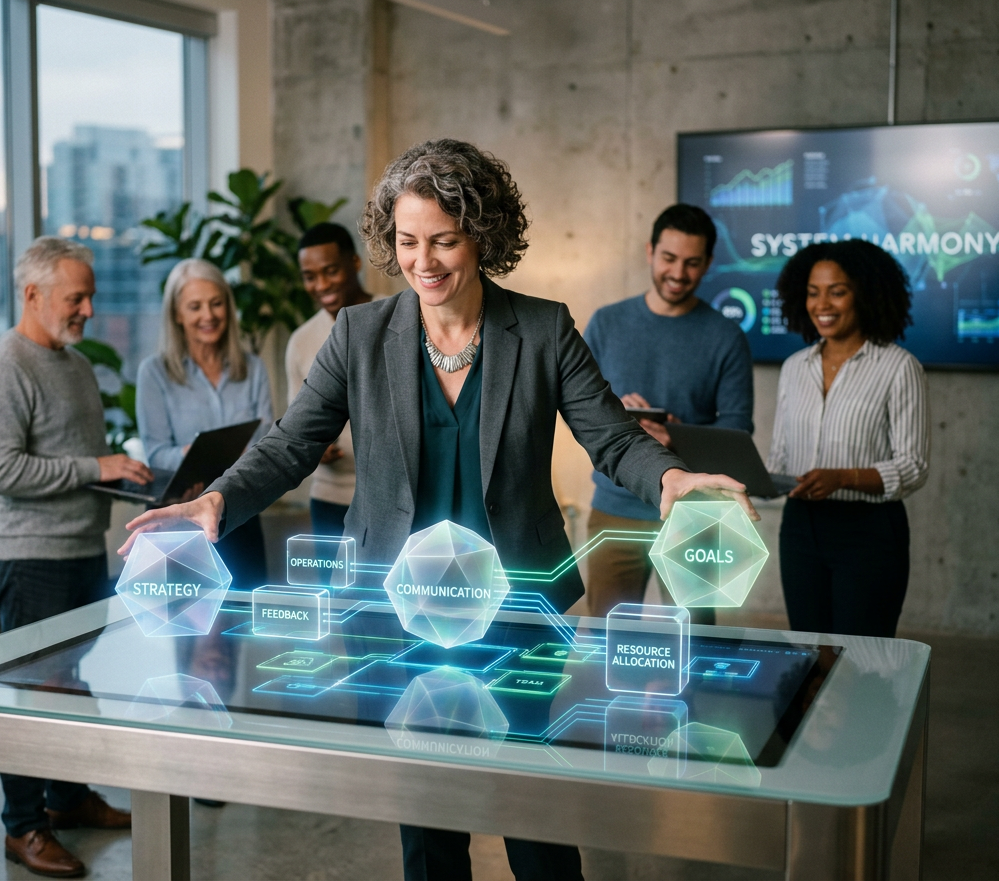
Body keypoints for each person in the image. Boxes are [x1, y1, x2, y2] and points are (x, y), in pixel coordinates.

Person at [121, 139, 756, 881]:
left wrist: (670, 477)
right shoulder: (359, 334)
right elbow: (291, 442)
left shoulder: (543, 329)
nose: (423, 261)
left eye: (444, 241)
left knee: (532, 805)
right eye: (407, 241)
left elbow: (611, 437)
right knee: (426, 816)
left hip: (520, 608)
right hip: (393, 611)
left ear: (482, 235)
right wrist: (217, 500)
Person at [0, 236, 151, 877]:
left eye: (90, 297)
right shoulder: (2, 368)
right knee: (28, 689)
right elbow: (1, 473)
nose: (89, 310)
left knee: (67, 679)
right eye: (77, 298)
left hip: (80, 547)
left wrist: (127, 480)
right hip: (30, 557)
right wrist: (98, 467)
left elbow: (74, 462)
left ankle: (67, 799)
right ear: (33, 294)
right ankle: (23, 826)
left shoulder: (73, 365)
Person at [583, 204, 753, 625]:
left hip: (693, 513)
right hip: (615, 507)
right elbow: (581, 414)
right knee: (608, 637)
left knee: (694, 638)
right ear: (650, 251)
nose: (678, 273)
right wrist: (617, 413)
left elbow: (738, 429)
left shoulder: (726, 336)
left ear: (708, 263)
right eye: (669, 258)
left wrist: (675, 436)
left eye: (692, 263)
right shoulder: (606, 323)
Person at [768, 239, 929, 637]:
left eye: (837, 292)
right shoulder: (794, 368)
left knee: (862, 659)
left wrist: (842, 478)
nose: (822, 304)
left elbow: (913, 467)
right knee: (809, 652)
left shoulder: (899, 367)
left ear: (866, 294)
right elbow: (780, 457)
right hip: (800, 527)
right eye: (813, 292)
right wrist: (758, 479)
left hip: (869, 532)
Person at [136, 258, 273, 589]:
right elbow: (156, 453)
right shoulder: (154, 373)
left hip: (240, 515)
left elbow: (268, 443)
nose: (208, 315)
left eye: (216, 303)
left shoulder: (253, 368)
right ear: (177, 315)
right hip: (181, 523)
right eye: (195, 307)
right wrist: (193, 456)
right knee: (188, 616)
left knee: (247, 610)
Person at [287, 222, 372, 536]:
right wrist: (314, 448)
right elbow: (298, 425)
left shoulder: (399, 314)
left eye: (331, 271)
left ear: (355, 262)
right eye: (310, 276)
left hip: (394, 494)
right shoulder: (301, 341)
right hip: (329, 496)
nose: (321, 285)